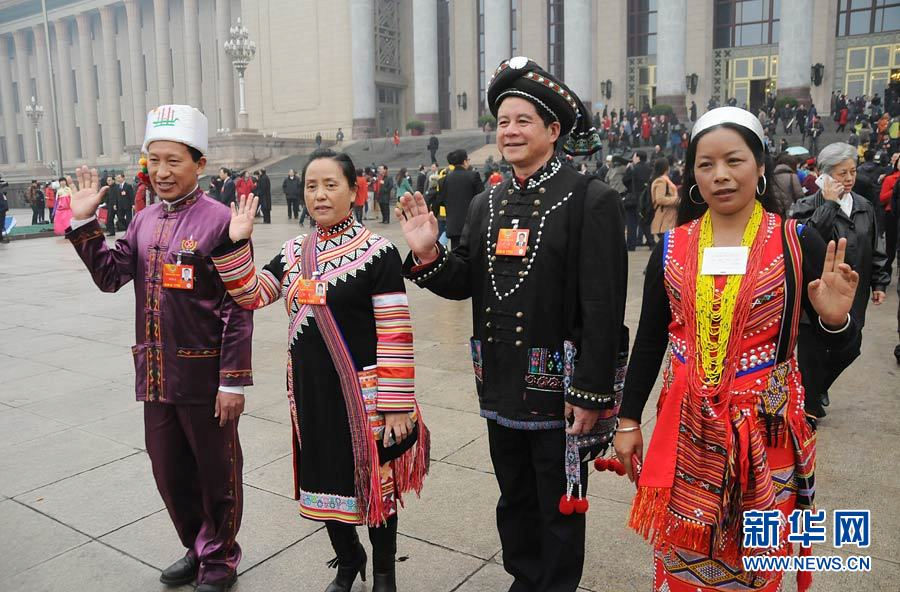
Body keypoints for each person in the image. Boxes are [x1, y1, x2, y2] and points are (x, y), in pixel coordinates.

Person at [396, 56, 627, 592]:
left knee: (558, 499)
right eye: (503, 121)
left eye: (524, 120)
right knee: (514, 493)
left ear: (553, 130)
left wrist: (592, 391)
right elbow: (465, 282)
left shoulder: (590, 199)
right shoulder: (486, 201)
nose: (510, 131)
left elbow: (603, 305)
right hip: (499, 378)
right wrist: (429, 254)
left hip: (561, 386)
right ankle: (525, 578)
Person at [615, 106, 861, 592]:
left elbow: (836, 350)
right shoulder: (671, 247)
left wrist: (835, 322)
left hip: (765, 435)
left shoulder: (798, 242)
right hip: (684, 430)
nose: (720, 175)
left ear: (760, 166)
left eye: (734, 160)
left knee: (756, 565)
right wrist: (627, 419)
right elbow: (648, 341)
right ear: (692, 175)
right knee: (684, 563)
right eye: (705, 165)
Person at [212, 148, 429, 592]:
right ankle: (349, 561)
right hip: (310, 393)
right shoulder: (293, 252)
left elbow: (394, 330)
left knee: (377, 487)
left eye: (331, 185)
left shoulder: (378, 252)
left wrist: (396, 404)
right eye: (312, 186)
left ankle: (385, 575)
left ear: (354, 191)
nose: (319, 194)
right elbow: (251, 294)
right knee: (325, 482)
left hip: (367, 395)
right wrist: (237, 241)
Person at [64, 105, 253, 592]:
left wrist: (232, 380)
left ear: (200, 164)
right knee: (169, 471)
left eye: (174, 161)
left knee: (217, 472)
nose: (162, 172)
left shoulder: (221, 222)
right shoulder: (143, 219)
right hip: (154, 375)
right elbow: (111, 276)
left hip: (205, 376)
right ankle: (197, 545)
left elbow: (238, 307)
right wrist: (85, 226)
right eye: (154, 161)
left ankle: (220, 560)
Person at [790, 142, 890, 417]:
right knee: (811, 355)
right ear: (823, 175)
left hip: (853, 293)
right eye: (841, 173)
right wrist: (829, 204)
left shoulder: (864, 206)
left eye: (852, 172)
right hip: (816, 292)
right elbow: (805, 238)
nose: (848, 179)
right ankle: (808, 410)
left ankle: (814, 390)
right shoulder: (805, 205)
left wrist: (880, 282)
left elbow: (875, 244)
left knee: (850, 347)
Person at [440, 149, 484, 250]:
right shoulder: (473, 176)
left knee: (457, 256)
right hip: (472, 226)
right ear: (465, 161)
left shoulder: (445, 179)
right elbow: (482, 199)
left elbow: (441, 200)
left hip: (453, 227)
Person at [623, 150, 654, 249]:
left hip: (634, 198)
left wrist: (628, 169)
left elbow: (625, 181)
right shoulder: (650, 169)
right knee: (645, 221)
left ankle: (631, 245)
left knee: (631, 222)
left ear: (638, 157)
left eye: (634, 156)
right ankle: (650, 241)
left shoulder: (633, 168)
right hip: (646, 198)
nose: (633, 158)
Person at [649, 157, 678, 239]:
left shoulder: (665, 179)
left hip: (668, 217)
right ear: (666, 168)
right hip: (664, 219)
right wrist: (676, 200)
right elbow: (660, 199)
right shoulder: (660, 181)